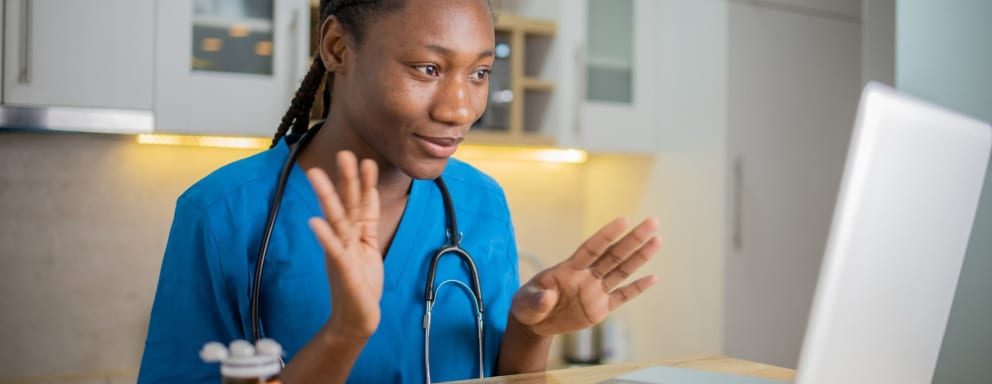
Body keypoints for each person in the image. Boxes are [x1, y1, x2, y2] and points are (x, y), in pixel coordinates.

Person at [137, 0, 662, 382]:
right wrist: (346, 333)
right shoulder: (223, 213)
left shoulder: (481, 203)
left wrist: (533, 331)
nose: (459, 108)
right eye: (428, 68)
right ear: (338, 47)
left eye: (479, 72)